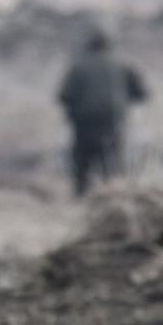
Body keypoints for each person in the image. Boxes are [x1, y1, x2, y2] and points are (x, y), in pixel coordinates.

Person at [56, 24, 148, 197]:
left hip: (84, 126)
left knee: (82, 169)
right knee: (112, 169)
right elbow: (142, 94)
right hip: (112, 123)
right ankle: (113, 203)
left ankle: (80, 204)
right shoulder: (123, 66)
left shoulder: (79, 66)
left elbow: (63, 95)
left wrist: (74, 111)